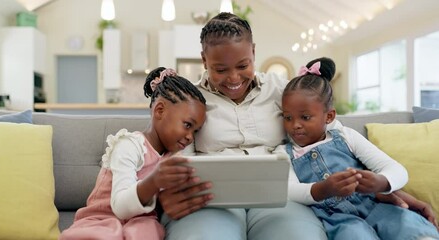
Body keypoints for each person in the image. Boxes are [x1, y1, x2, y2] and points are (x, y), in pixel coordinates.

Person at [158, 12, 438, 240]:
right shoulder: (189, 99)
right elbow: (177, 153)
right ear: (204, 59)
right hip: (212, 198)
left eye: (243, 65)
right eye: (220, 69)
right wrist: (168, 195)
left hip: (284, 196)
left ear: (254, 52)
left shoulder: (283, 89)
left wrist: (385, 186)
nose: (233, 78)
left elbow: (332, 135)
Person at [278, 57, 439, 240]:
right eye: (288, 117)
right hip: (339, 219)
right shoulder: (284, 153)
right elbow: (289, 190)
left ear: (329, 116)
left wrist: (381, 182)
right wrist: (323, 189)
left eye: (305, 117)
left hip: (376, 205)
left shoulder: (347, 136)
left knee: (409, 228)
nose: (295, 125)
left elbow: (397, 170)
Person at [59, 67, 207, 240]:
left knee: (147, 230)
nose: (190, 137)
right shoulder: (129, 146)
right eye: (188, 125)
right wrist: (154, 181)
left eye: (196, 131)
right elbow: (120, 206)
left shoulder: (172, 156)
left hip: (141, 223)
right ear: (159, 111)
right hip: (103, 221)